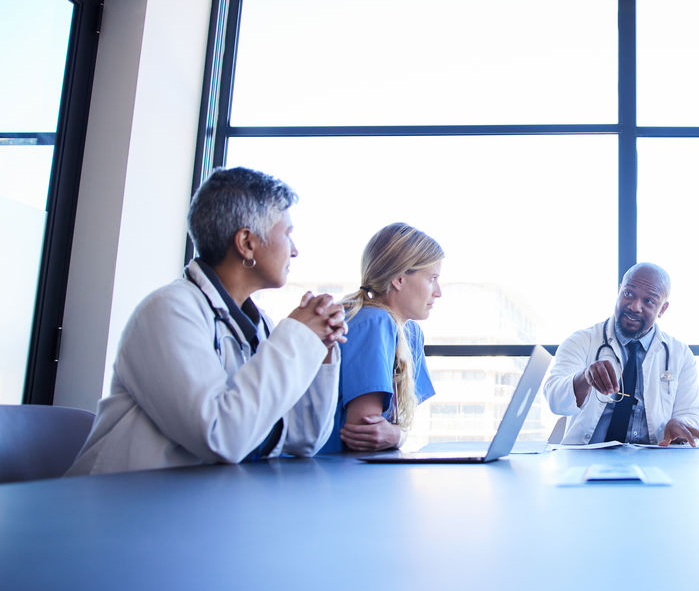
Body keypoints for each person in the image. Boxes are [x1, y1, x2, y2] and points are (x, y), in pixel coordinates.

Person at [67, 167, 345, 476]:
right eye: (288, 234)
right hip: (123, 500)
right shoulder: (168, 310)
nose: (295, 250)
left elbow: (303, 437)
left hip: (196, 498)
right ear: (247, 242)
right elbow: (221, 436)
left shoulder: (259, 326)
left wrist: (321, 349)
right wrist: (297, 335)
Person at [544, 263, 699, 446]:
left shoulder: (681, 354)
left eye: (649, 301)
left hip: (654, 456)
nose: (635, 306)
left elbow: (690, 412)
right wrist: (584, 378)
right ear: (619, 291)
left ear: (662, 309)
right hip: (587, 455)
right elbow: (555, 400)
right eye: (629, 293)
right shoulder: (581, 341)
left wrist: (682, 424)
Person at [319, 223, 443, 453]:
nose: (438, 292)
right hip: (332, 467)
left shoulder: (410, 332)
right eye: (432, 279)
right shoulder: (374, 322)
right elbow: (365, 435)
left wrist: (398, 435)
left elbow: (396, 426)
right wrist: (398, 436)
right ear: (399, 279)